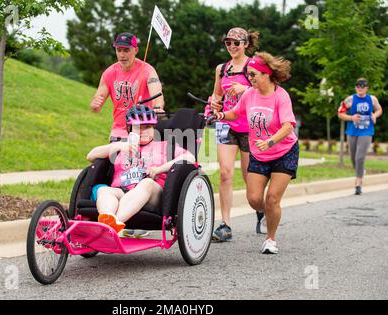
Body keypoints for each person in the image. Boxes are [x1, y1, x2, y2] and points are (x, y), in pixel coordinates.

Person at [211, 52, 298, 254]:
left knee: (273, 199)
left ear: (266, 74)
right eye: (249, 75)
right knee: (254, 199)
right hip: (260, 154)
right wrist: (221, 115)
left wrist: (270, 141)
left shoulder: (280, 96)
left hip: (284, 151)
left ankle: (270, 239)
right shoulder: (250, 94)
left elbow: (288, 126)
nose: (250, 79)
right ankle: (267, 213)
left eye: (253, 75)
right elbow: (237, 113)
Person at [86, 105, 195, 233]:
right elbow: (91, 155)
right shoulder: (122, 147)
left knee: (146, 183)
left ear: (153, 128)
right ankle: (108, 219)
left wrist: (159, 169)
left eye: (147, 127)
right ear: (129, 129)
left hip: (153, 194)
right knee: (104, 190)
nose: (143, 131)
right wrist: (119, 145)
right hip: (123, 191)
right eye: (138, 127)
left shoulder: (164, 146)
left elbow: (190, 157)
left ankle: (108, 229)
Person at [207, 27, 265, 242]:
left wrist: (247, 90)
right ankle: (226, 225)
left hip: (250, 126)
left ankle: (261, 209)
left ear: (246, 44)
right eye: (228, 43)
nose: (231, 46)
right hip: (226, 123)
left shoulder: (254, 65)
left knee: (249, 178)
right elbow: (217, 93)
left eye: (236, 43)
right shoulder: (222, 68)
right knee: (225, 173)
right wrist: (214, 102)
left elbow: (267, 91)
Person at [90, 32, 165, 143]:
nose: (122, 55)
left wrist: (158, 107)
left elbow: (157, 96)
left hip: (143, 132)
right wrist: (94, 105)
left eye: (126, 50)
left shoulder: (148, 71)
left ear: (135, 50)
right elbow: (95, 107)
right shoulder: (109, 73)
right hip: (118, 132)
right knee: (110, 160)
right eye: (119, 50)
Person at [338, 78, 383, 195]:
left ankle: (358, 184)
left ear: (367, 88)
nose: (360, 88)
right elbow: (340, 113)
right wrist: (351, 118)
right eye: (358, 86)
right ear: (355, 87)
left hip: (366, 131)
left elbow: (379, 109)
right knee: (353, 158)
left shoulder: (372, 99)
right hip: (352, 131)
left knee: (359, 157)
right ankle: (360, 171)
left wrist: (375, 115)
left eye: (363, 87)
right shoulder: (350, 100)